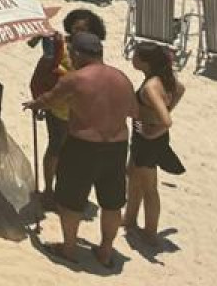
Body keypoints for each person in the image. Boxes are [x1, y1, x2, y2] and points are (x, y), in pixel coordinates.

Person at [29, 29, 136, 267]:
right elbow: (134, 112)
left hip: (82, 146)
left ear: (77, 53)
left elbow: (51, 99)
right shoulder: (122, 78)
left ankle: (69, 249)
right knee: (111, 203)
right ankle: (105, 251)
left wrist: (34, 104)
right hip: (117, 147)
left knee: (71, 200)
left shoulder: (75, 79)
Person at [29, 8, 107, 200]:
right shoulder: (59, 45)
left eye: (83, 30)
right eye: (76, 29)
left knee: (72, 153)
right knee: (56, 147)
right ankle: (49, 190)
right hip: (59, 107)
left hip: (81, 110)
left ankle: (63, 189)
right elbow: (41, 64)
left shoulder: (92, 50)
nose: (78, 33)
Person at [124, 44, 185, 247]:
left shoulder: (151, 87)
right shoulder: (165, 80)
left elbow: (167, 122)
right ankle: (130, 220)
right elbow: (180, 90)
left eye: (136, 56)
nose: (133, 59)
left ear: (145, 63)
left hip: (146, 139)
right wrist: (167, 109)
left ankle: (150, 232)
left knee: (149, 187)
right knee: (134, 177)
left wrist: (153, 131)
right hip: (145, 135)